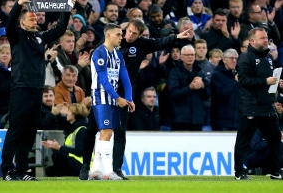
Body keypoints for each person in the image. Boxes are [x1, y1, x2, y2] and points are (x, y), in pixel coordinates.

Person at [79, 18, 191, 180]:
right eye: (127, 31)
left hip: (122, 96)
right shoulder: (108, 47)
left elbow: (159, 42)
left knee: (118, 133)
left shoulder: (141, 45)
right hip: (103, 95)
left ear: (140, 35)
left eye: (134, 33)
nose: (128, 35)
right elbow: (101, 76)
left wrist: (176, 37)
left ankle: (114, 170)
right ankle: (87, 166)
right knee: (93, 131)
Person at [0, 0, 75, 181]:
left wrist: (66, 8)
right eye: (31, 20)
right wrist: (18, 4)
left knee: (29, 132)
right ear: (22, 22)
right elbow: (9, 24)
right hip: (21, 89)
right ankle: (7, 170)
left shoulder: (40, 37)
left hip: (36, 90)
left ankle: (22, 171)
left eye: (35, 19)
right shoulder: (16, 35)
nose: (35, 22)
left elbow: (59, 30)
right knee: (15, 130)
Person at [234, 27, 283, 180]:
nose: (266, 40)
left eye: (266, 37)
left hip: (267, 106)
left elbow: (268, 80)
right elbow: (243, 80)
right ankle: (239, 172)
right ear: (253, 41)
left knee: (275, 139)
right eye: (262, 38)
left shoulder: (268, 58)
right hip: (251, 107)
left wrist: (276, 83)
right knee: (243, 141)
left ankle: (276, 170)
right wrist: (265, 81)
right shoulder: (245, 57)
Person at [88, 23, 134, 180]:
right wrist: (118, 98)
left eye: (121, 35)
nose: (121, 38)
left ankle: (95, 170)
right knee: (107, 131)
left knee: (106, 132)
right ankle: (108, 172)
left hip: (113, 98)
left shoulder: (118, 55)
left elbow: (125, 78)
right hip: (100, 97)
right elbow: (103, 81)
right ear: (108, 35)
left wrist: (129, 98)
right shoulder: (99, 53)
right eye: (118, 35)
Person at [42, 103, 90, 177]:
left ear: (74, 115)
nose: (67, 113)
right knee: (49, 171)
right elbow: (68, 151)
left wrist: (59, 148)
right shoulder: (73, 129)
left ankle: (66, 176)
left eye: (69, 111)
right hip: (74, 162)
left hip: (80, 164)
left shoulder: (81, 130)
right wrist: (54, 147)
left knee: (57, 156)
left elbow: (79, 152)